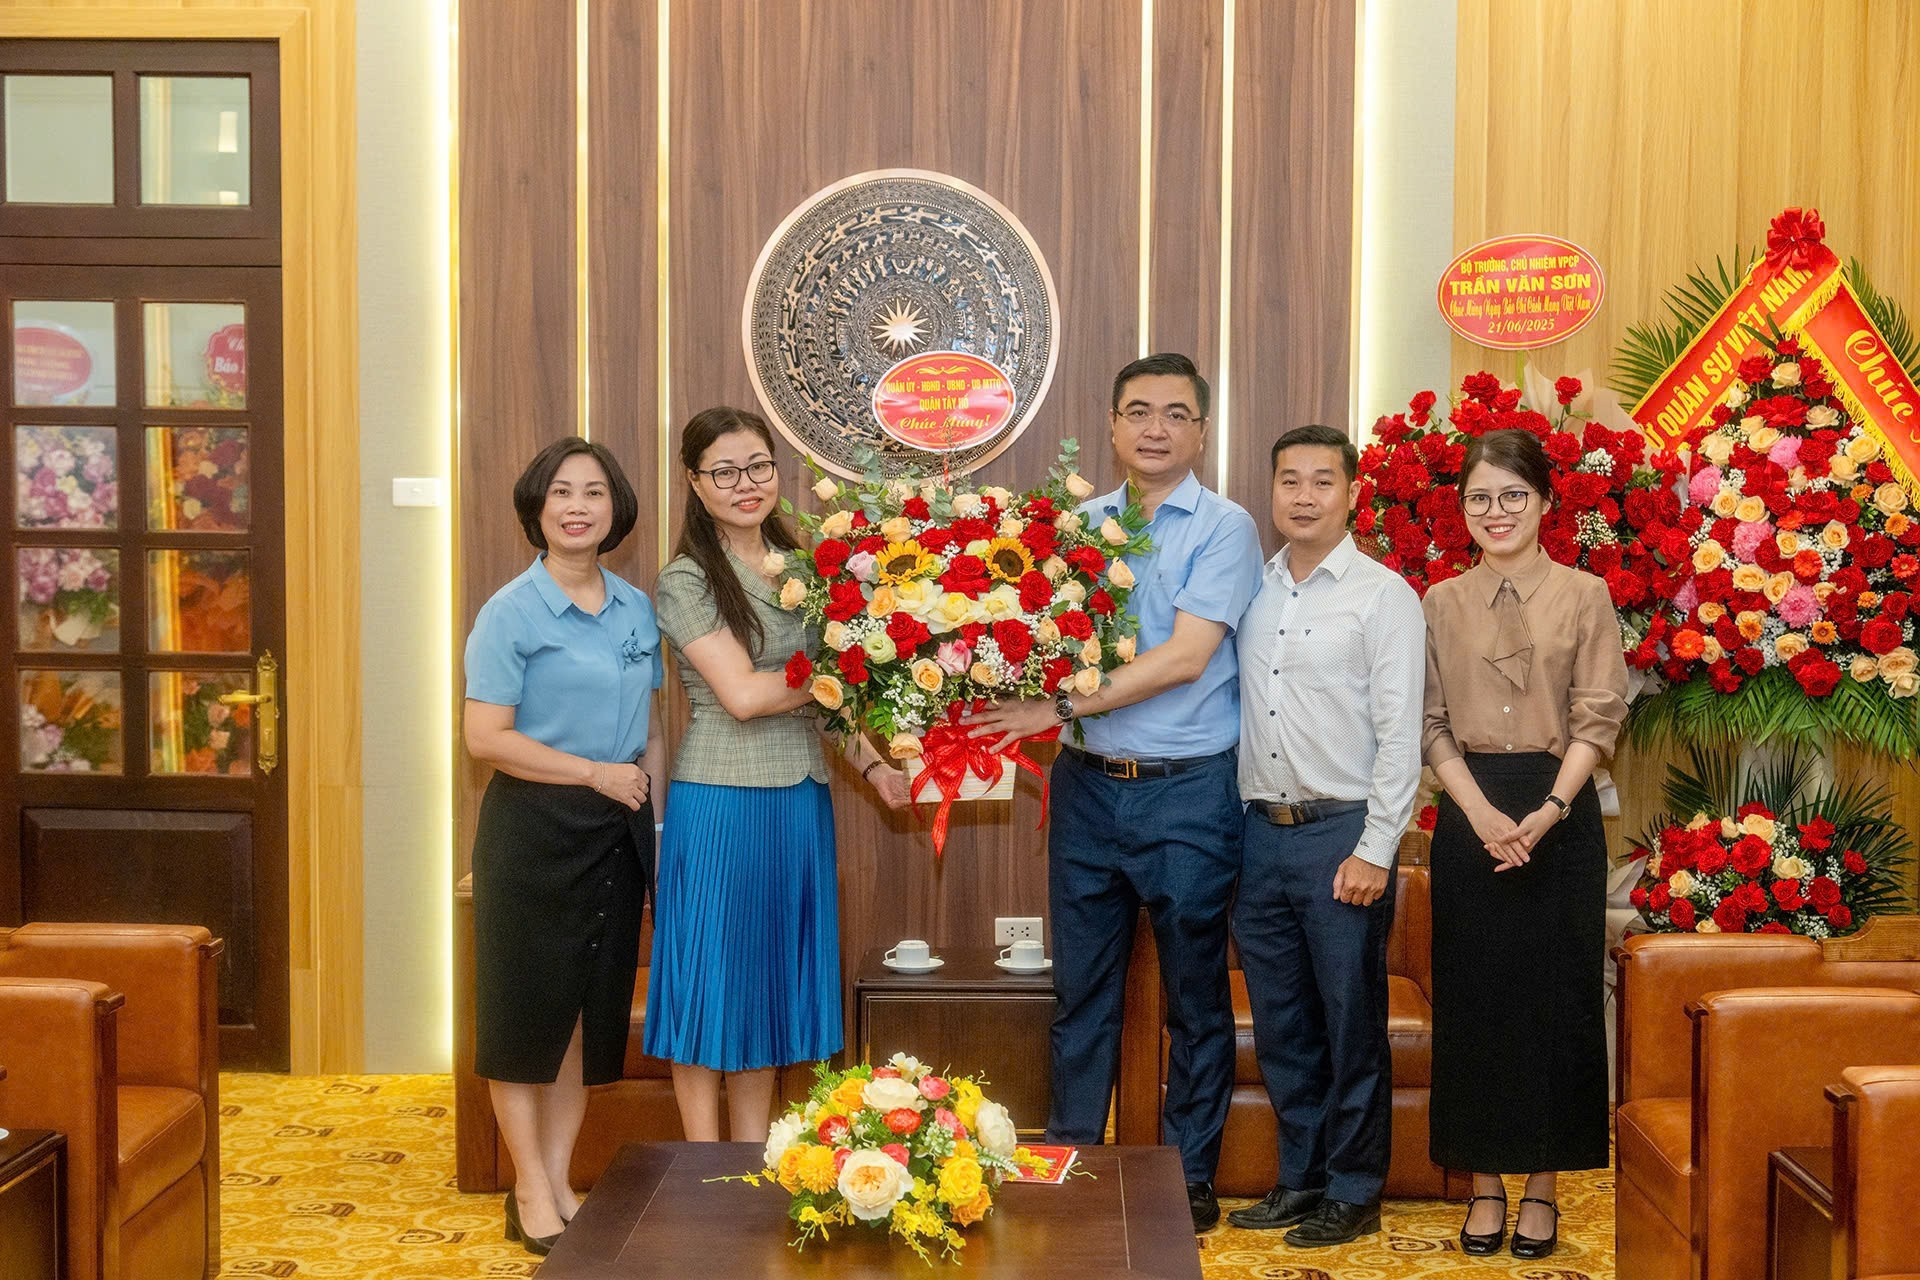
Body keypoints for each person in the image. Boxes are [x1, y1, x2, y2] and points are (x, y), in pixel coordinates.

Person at [966, 352, 1264, 1232]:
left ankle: (1188, 1174)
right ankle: (1069, 1154)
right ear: (1111, 425)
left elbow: (1185, 658)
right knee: (1081, 991)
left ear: (1202, 431)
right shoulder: (1077, 526)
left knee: (1196, 997)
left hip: (1190, 794)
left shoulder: (1226, 528)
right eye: (1138, 411)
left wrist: (1050, 707)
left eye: (1176, 413)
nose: (1156, 428)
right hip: (1089, 790)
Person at [644, 405, 910, 1144]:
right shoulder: (686, 580)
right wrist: (852, 662)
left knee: (762, 989)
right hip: (723, 799)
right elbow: (745, 695)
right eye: (723, 472)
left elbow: (827, 712)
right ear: (695, 484)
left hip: (799, 801)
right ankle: (701, 1169)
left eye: (757, 465)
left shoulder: (809, 567)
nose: (744, 484)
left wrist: (876, 766)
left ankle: (754, 1159)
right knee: (709, 985)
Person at [1421, 427, 1628, 1260]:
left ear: (1544, 502)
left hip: (1560, 808)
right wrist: (1476, 813)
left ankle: (1542, 1186)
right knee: (1475, 1005)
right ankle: (1482, 1186)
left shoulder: (1586, 595)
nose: (1495, 511)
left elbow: (1600, 716)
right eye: (1480, 497)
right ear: (1461, 508)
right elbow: (1430, 725)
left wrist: (1547, 811)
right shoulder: (1437, 601)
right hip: (1471, 807)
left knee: (1555, 1004)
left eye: (1513, 495)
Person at [1225, 424, 1425, 1247]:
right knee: (1283, 1027)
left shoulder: (1384, 596)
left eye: (1322, 482)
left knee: (1349, 1025)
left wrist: (1376, 848)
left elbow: (1400, 734)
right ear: (1271, 492)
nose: (1303, 496)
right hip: (1257, 837)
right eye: (1289, 481)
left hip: (1341, 836)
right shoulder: (1254, 591)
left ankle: (1352, 1186)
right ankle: (1300, 1178)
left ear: (1351, 494)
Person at [463, 438, 663, 1256]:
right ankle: (528, 1186)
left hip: (615, 831)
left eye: (593, 492)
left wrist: (647, 814)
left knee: (586, 1016)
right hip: (533, 830)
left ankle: (557, 1177)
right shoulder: (510, 611)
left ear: (615, 509)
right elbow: (484, 739)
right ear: (537, 509)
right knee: (524, 1019)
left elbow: (649, 732)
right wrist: (594, 773)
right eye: (560, 492)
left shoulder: (636, 607)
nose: (577, 505)